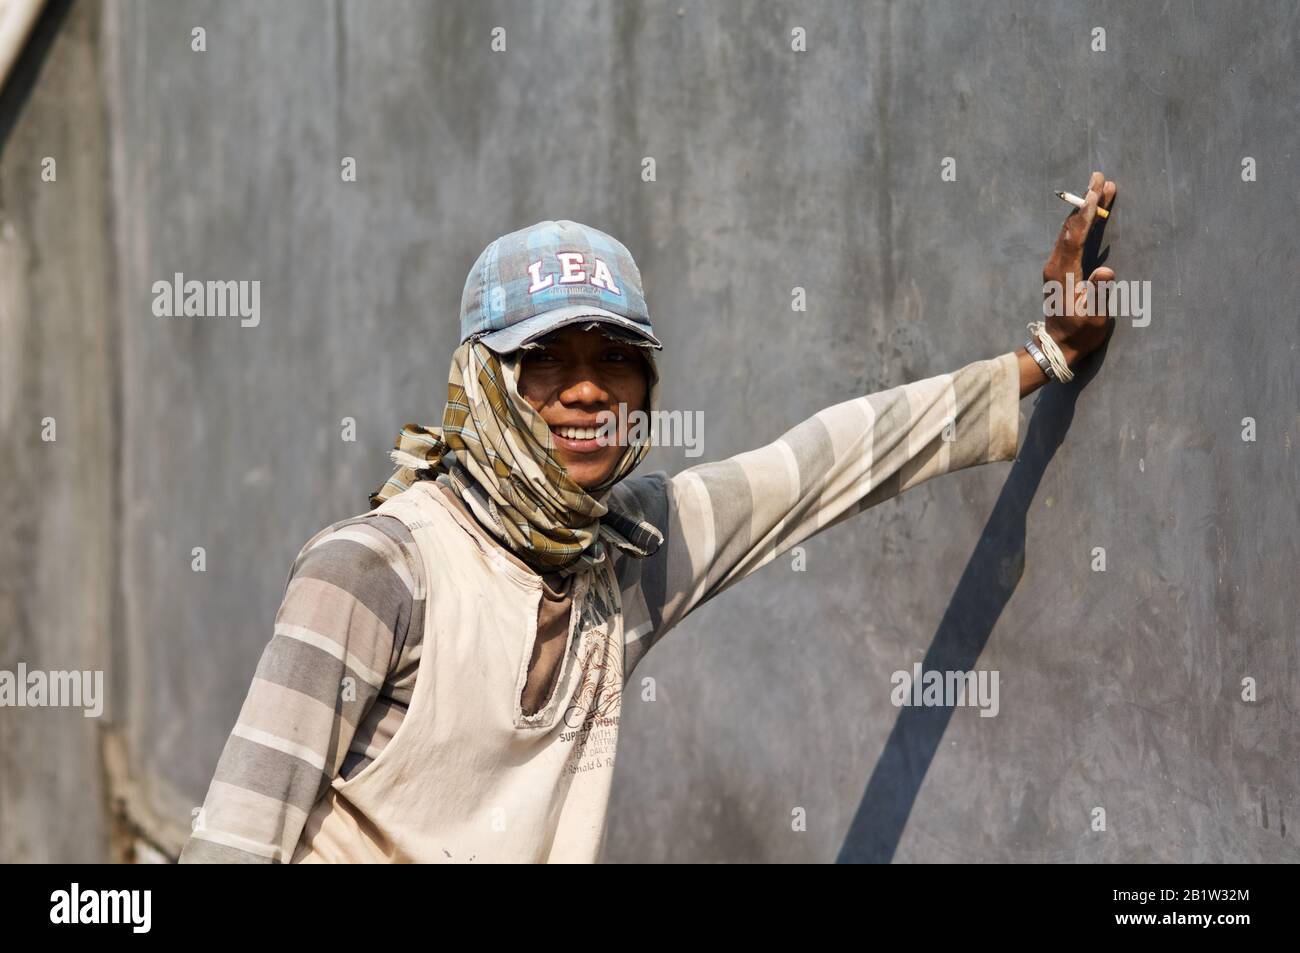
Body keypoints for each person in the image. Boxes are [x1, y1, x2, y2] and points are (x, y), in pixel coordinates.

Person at [180, 174, 1118, 863]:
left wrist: (1044, 355)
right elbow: (235, 840)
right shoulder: (375, 571)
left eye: (616, 358)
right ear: (487, 382)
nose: (589, 389)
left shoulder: (621, 557)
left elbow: (823, 464)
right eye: (547, 359)